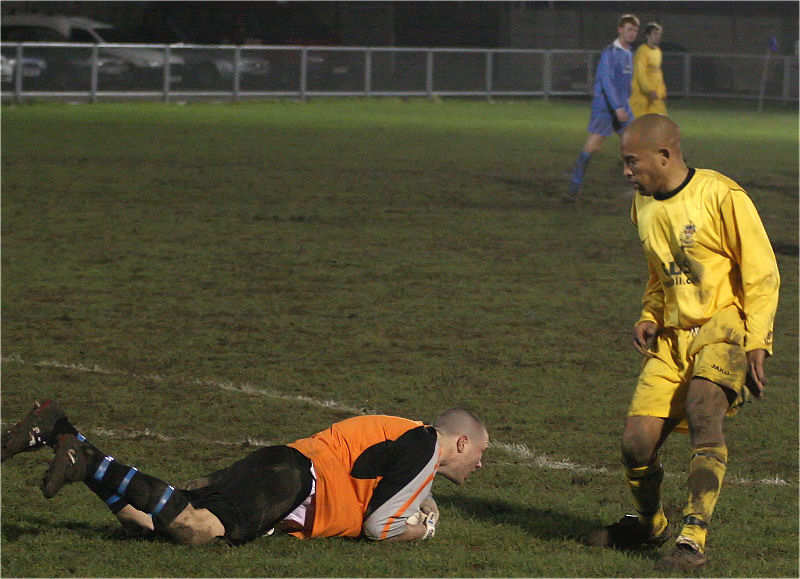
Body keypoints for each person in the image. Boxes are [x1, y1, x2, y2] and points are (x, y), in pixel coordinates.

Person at [585, 114, 780, 571]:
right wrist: (650, 315)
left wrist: (758, 341)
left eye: (632, 162)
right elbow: (659, 273)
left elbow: (761, 271)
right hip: (673, 339)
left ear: (665, 155)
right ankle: (650, 524)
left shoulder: (721, 195)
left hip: (724, 326)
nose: (627, 172)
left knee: (703, 409)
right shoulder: (643, 205)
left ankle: (692, 538)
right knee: (636, 443)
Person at [1, 400, 489, 545]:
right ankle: (84, 459)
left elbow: (385, 494)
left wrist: (420, 504)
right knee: (197, 532)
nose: (481, 464)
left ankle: (65, 436)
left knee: (144, 523)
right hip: (294, 480)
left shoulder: (410, 442)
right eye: (481, 452)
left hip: (286, 472)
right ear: (460, 441)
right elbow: (380, 526)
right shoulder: (424, 443)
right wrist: (420, 531)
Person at [567, 14, 639, 198]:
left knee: (634, 144)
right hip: (606, 108)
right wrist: (617, 107)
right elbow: (607, 83)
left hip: (622, 107)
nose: (632, 33)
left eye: (635, 30)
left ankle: (639, 186)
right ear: (620, 30)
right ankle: (574, 186)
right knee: (593, 147)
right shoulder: (610, 53)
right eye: (629, 29)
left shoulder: (628, 53)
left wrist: (625, 104)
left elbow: (625, 83)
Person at [630, 22, 667, 117]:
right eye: (655, 34)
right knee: (639, 125)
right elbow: (640, 73)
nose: (658, 36)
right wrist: (649, 90)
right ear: (647, 35)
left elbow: (658, 73)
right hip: (642, 96)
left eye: (659, 34)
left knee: (660, 123)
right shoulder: (642, 51)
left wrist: (662, 91)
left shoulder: (658, 52)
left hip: (655, 96)